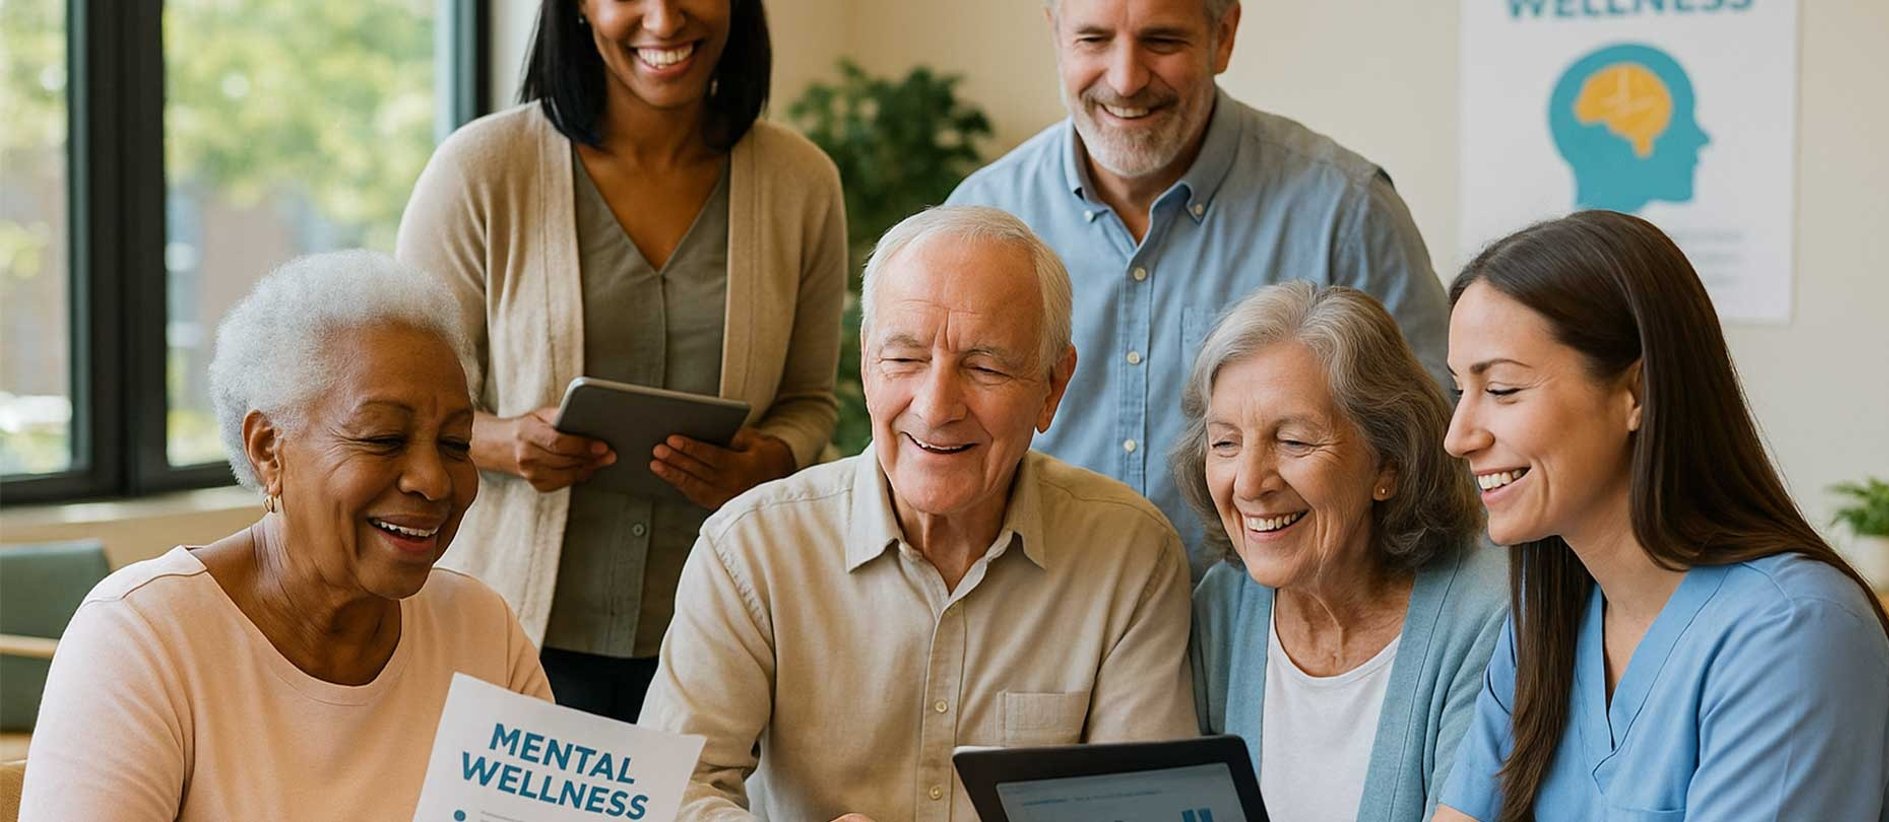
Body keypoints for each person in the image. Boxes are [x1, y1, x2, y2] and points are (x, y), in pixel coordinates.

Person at [637, 206, 1196, 821]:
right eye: (904, 358)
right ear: (865, 363)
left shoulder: (1130, 553)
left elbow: (1141, 812)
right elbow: (667, 798)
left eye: (985, 366)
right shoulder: (750, 548)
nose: (936, 407)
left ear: (1053, 386)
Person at [395, 0, 845, 720]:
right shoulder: (481, 170)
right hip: (516, 639)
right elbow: (405, 402)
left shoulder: (802, 183)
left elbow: (811, 402)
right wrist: (508, 443)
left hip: (716, 639)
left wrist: (773, 460)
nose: (663, 21)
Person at [18, 251, 550, 820]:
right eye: (383, 438)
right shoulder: (142, 636)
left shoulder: (480, 631)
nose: (433, 480)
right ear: (269, 449)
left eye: (456, 444)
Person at [1433, 211, 1889, 821]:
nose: (1458, 436)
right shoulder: (1544, 614)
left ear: (1636, 393)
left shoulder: (1795, 635)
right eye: (1459, 391)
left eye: (1501, 389)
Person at [946, 0, 1451, 571]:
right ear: (1056, 35)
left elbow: (1430, 447)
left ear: (1225, 35)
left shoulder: (1346, 211)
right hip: (1044, 626)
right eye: (1093, 39)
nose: (1126, 79)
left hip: (1264, 639)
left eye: (1162, 41)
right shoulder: (980, 216)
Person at [1177, 282, 1505, 822]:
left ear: (1389, 464)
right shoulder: (1221, 610)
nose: (1250, 483)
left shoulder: (1487, 614)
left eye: (1295, 441)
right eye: (1225, 443)